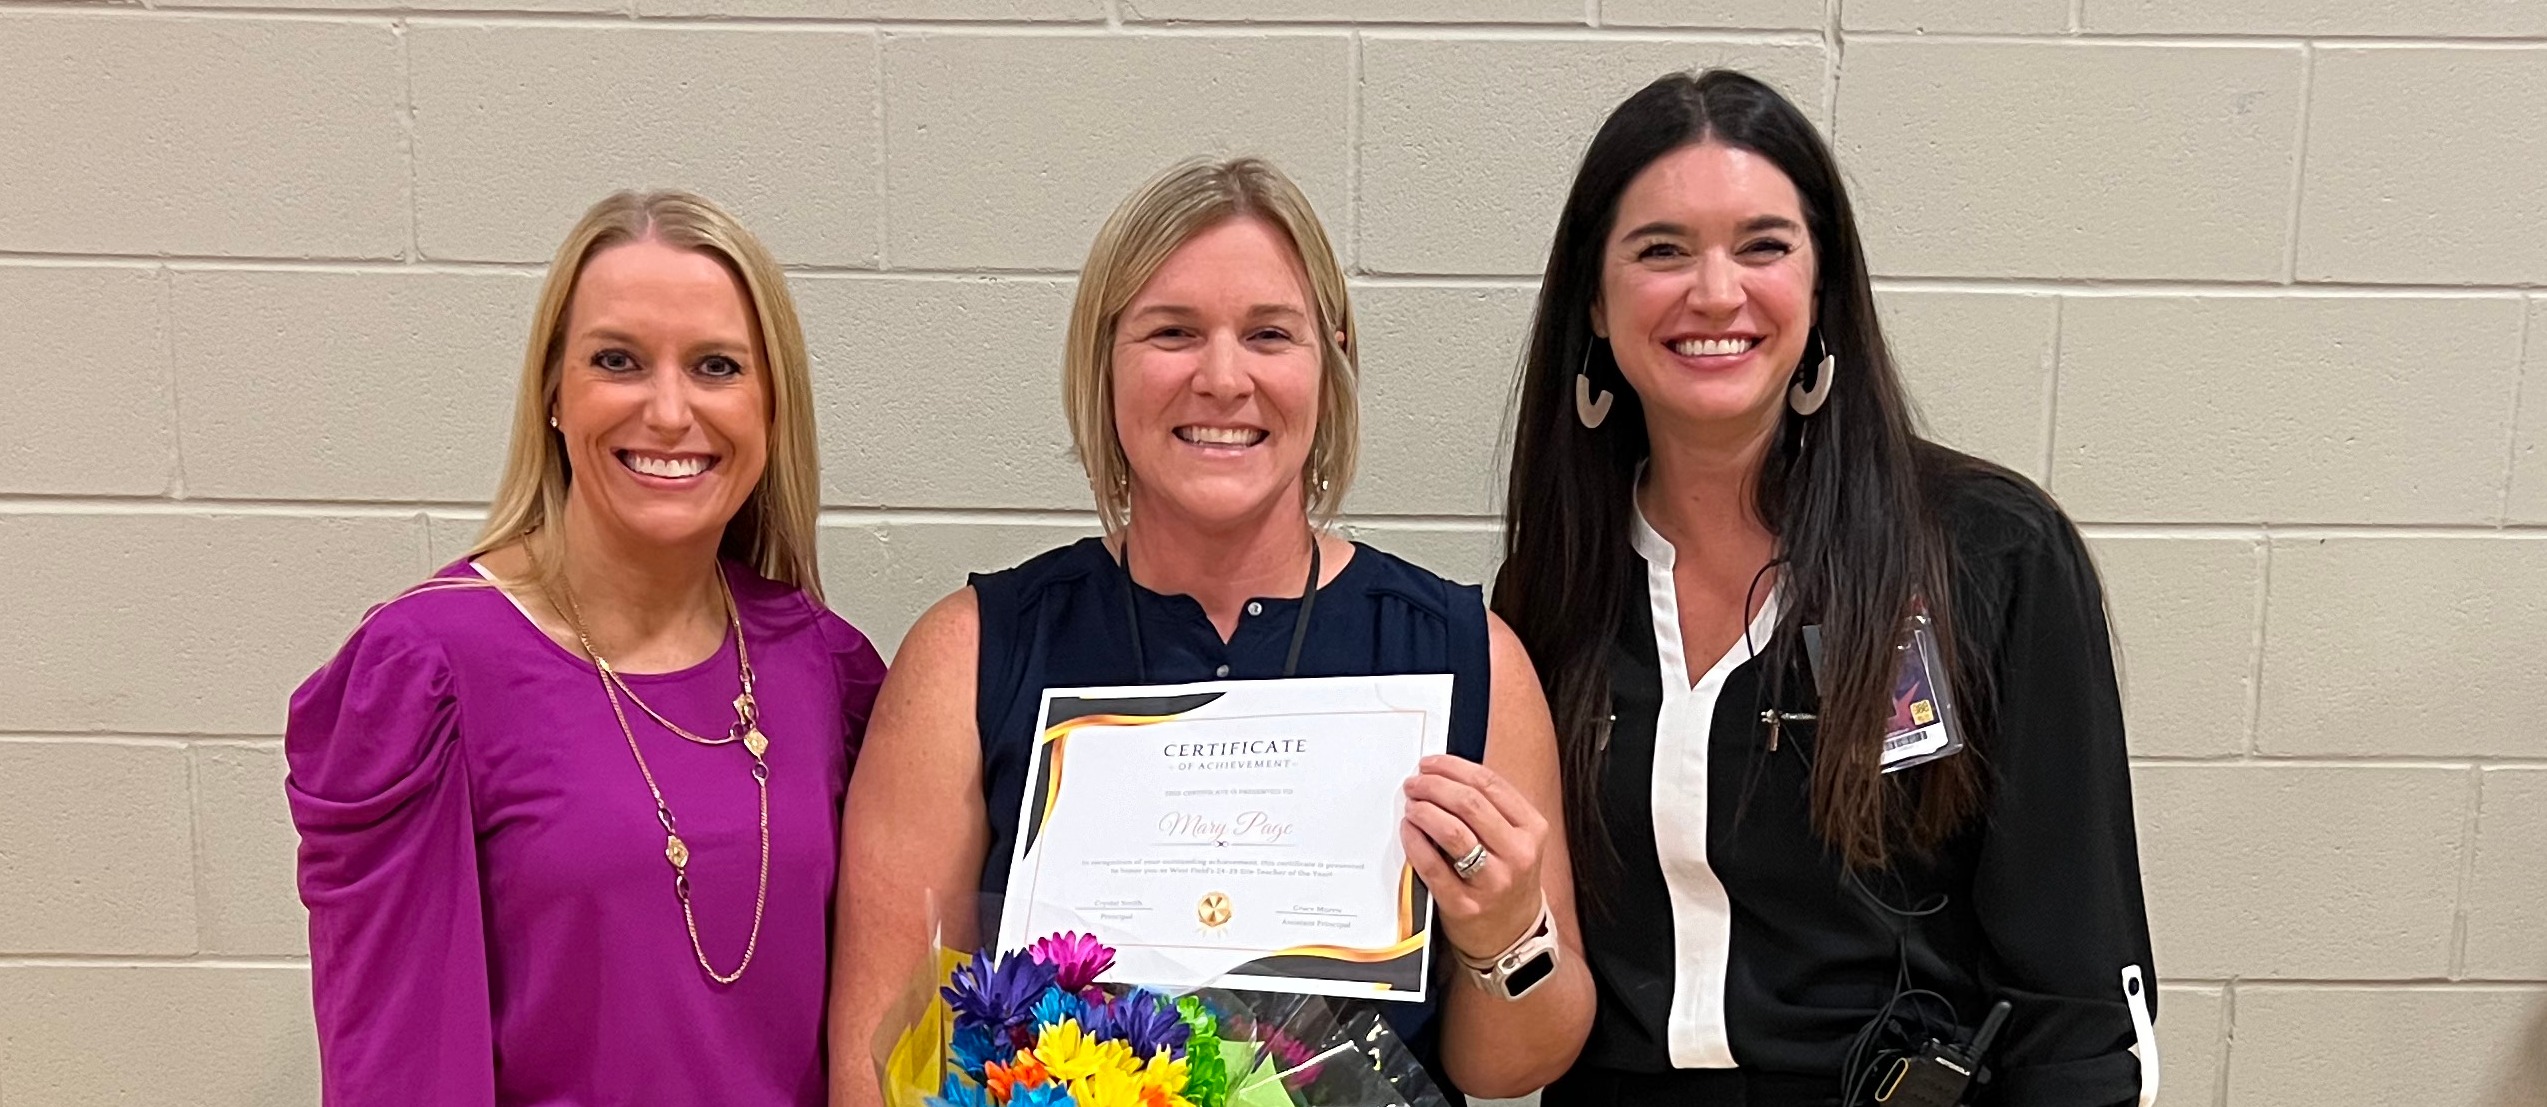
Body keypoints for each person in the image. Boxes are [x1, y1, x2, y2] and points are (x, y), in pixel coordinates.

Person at [829, 156, 1593, 1105]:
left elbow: (1513, 1061)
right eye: (1173, 333)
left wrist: (1509, 931)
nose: (1222, 378)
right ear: (1104, 359)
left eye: (1269, 333)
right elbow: (875, 1066)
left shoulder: (1463, 654)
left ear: (1333, 359)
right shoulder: (970, 652)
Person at [1493, 71, 2157, 1107]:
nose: (1715, 293)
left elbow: (2076, 996)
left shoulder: (1991, 555)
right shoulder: (1551, 592)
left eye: (1763, 246)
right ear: (1595, 297)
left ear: (1823, 286)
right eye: (1662, 249)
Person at [286, 190, 887, 1105]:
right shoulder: (426, 673)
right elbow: (401, 1066)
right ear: (553, 395)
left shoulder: (821, 665)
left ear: (771, 407)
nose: (670, 410)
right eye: (618, 361)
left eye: (717, 366)